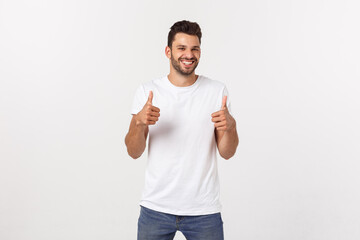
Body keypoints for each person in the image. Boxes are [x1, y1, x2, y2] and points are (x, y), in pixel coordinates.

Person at [125, 20, 239, 240]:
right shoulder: (148, 91)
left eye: (194, 48)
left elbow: (227, 152)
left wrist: (231, 127)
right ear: (168, 51)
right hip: (156, 208)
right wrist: (139, 122)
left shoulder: (216, 91)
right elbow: (133, 151)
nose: (189, 54)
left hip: (203, 210)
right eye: (182, 48)